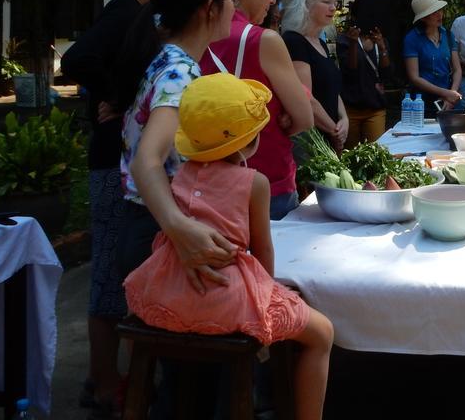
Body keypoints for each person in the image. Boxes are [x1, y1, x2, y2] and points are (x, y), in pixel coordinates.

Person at [123, 73, 334, 420]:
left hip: (166, 294)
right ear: (249, 142)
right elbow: (262, 251)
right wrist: (268, 297)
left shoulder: (177, 178)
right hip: (228, 301)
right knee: (322, 333)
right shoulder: (255, 183)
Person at [61, 0, 181, 419]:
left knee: (120, 273)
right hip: (115, 158)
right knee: (110, 274)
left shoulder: (146, 13)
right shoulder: (125, 11)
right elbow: (76, 58)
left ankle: (110, 377)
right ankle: (104, 381)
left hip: (125, 154)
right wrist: (116, 95)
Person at [115, 0, 238, 285]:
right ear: (209, 7)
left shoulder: (164, 54)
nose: (235, 9)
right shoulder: (178, 72)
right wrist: (179, 228)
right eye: (231, 0)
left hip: (146, 220)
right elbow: (147, 161)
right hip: (157, 226)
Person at [200, 0, 313, 220]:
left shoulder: (192, 33)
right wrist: (288, 114)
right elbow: (305, 118)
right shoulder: (261, 40)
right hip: (266, 181)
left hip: (205, 186)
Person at [281, 0, 348, 152]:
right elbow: (306, 98)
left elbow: (332, 89)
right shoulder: (294, 41)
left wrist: (344, 118)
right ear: (306, 5)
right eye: (326, 2)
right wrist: (335, 130)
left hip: (328, 133)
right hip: (310, 140)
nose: (333, 8)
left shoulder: (320, 42)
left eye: (334, 2)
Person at [336, 0, 391, 147]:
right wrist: (353, 43)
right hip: (351, 107)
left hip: (374, 107)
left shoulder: (380, 40)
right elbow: (350, 70)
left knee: (375, 150)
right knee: (351, 154)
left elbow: (386, 71)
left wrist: (382, 47)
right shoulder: (344, 40)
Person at [403, 0, 462, 116]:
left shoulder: (448, 35)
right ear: (423, 17)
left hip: (447, 101)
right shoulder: (412, 38)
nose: (439, 14)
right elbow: (414, 77)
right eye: (433, 12)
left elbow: (457, 69)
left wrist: (452, 94)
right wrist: (446, 93)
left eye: (440, 10)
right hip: (421, 103)